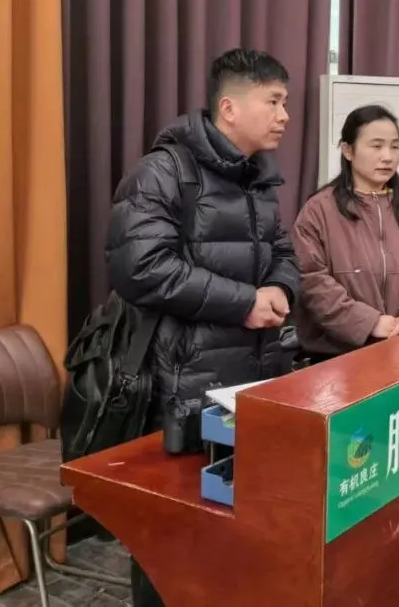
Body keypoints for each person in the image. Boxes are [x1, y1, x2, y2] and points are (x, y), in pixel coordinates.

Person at [105, 48, 302, 607]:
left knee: (234, 537)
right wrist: (244, 303)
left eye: (285, 102)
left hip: (254, 380)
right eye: (274, 102)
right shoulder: (162, 172)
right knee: (170, 543)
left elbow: (285, 253)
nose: (285, 115)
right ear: (229, 107)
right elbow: (139, 268)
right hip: (182, 385)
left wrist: (281, 290)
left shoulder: (259, 176)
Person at [292, 104, 399, 357]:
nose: (388, 156)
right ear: (348, 151)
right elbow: (310, 279)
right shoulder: (318, 211)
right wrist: (369, 322)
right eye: (376, 146)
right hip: (337, 359)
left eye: (395, 146)